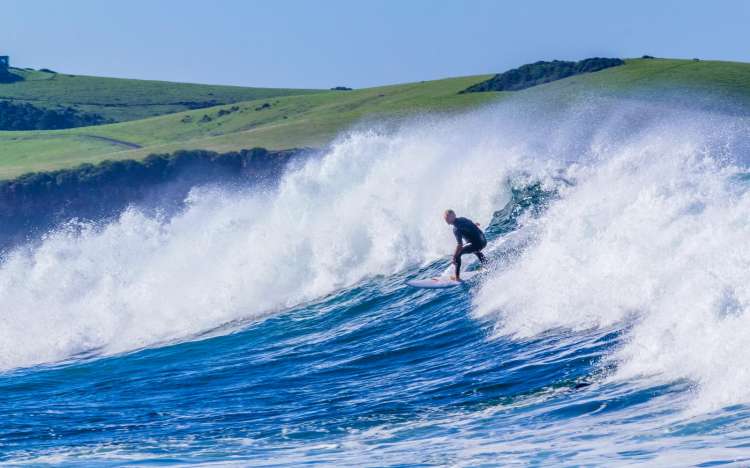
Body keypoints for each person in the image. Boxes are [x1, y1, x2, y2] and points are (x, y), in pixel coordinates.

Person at [443, 209, 487, 281]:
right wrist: (475, 225)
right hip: (483, 241)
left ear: (453, 216)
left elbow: (460, 245)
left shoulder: (456, 229)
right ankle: (487, 264)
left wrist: (454, 257)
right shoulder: (462, 219)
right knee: (473, 249)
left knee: (458, 254)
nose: (445, 219)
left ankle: (457, 277)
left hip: (477, 244)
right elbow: (472, 224)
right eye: (445, 218)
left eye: (447, 217)